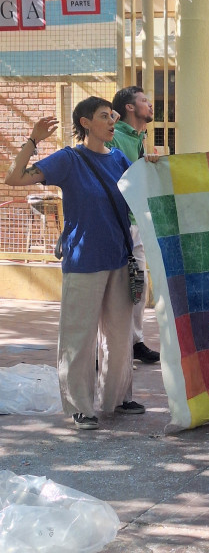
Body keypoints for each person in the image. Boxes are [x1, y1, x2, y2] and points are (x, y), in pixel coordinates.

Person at [5, 97, 148, 430]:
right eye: (104, 117)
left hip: (118, 257)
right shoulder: (69, 159)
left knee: (119, 335)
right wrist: (33, 140)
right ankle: (80, 407)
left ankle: (117, 398)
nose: (112, 122)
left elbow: (141, 194)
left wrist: (152, 167)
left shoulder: (119, 158)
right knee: (78, 337)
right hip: (84, 259)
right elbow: (14, 178)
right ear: (85, 123)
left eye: (113, 116)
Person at [108, 86, 160, 364]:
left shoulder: (140, 138)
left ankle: (135, 341)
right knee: (114, 287)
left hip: (135, 222)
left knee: (138, 283)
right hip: (115, 225)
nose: (150, 105)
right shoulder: (114, 135)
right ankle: (104, 348)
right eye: (144, 101)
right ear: (129, 107)